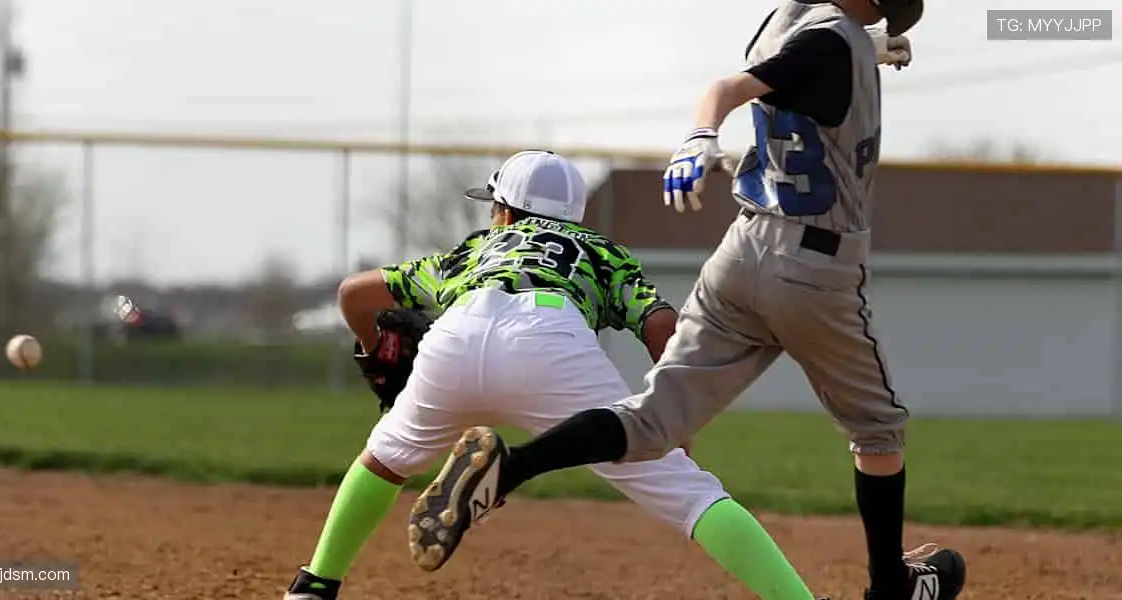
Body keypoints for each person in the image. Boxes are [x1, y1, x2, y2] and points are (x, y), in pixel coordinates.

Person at [412, 2, 968, 600]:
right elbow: (736, 85)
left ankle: (509, 470)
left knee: (652, 421)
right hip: (816, 265)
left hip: (741, 253)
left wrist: (870, 45)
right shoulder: (835, 42)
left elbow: (790, 63)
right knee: (879, 427)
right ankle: (891, 586)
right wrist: (707, 130)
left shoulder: (796, 27)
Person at [284, 150, 825, 600]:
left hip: (458, 330)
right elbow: (660, 324)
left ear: (504, 210)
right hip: (550, 339)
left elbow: (354, 293)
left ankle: (314, 585)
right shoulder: (600, 252)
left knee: (385, 458)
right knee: (691, 494)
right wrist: (673, 420)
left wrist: (374, 344)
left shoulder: (476, 248)